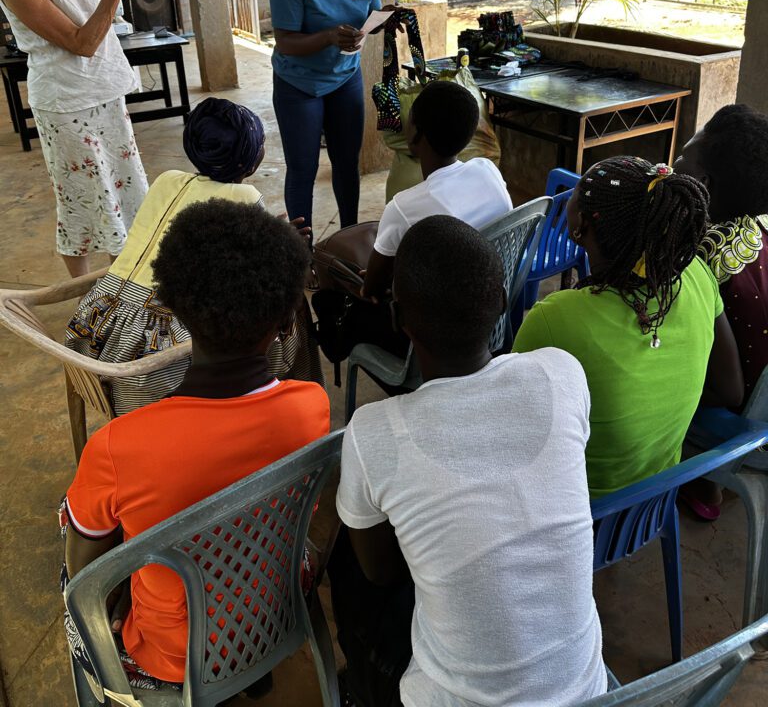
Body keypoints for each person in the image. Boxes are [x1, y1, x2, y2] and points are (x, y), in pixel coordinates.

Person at [332, 215, 606, 707]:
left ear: (398, 321)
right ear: (502, 300)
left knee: (347, 563)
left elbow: (382, 574)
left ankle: (358, 688)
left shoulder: (373, 433)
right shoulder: (562, 374)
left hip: (448, 699)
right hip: (586, 691)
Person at [62, 200, 330, 692]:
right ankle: (254, 675)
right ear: (285, 321)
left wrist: (112, 589)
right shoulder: (310, 407)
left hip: (173, 654)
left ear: (176, 309)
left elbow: (84, 579)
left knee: (83, 537)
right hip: (272, 614)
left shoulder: (119, 446)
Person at [513, 156, 744, 498]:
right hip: (655, 497)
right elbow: (733, 392)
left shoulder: (555, 318)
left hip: (580, 508)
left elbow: (514, 426)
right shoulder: (696, 274)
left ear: (580, 226)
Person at [65, 97, 273, 414]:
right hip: (148, 366)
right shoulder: (244, 197)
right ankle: (267, 400)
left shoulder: (167, 180)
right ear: (251, 162)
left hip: (89, 333)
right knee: (281, 310)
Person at [0, 0, 147, 277]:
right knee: (84, 201)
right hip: (67, 104)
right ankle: (90, 300)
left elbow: (91, 22)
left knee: (124, 192)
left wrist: (111, 2)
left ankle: (123, 296)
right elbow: (80, 42)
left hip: (101, 91)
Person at [269, 0, 381, 234]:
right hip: (299, 83)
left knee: (347, 164)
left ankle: (350, 236)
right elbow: (285, 41)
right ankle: (303, 255)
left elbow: (371, 14)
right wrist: (330, 37)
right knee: (303, 168)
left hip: (345, 77)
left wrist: (382, 20)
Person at [362, 80, 512, 302]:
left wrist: (374, 283)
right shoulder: (488, 171)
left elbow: (372, 288)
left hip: (437, 324)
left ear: (415, 133)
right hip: (491, 305)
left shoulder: (403, 208)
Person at [675, 104, 768, 404]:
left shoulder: (702, 256)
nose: (672, 164)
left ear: (703, 184)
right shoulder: (760, 228)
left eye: (681, 159)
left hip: (731, 421)